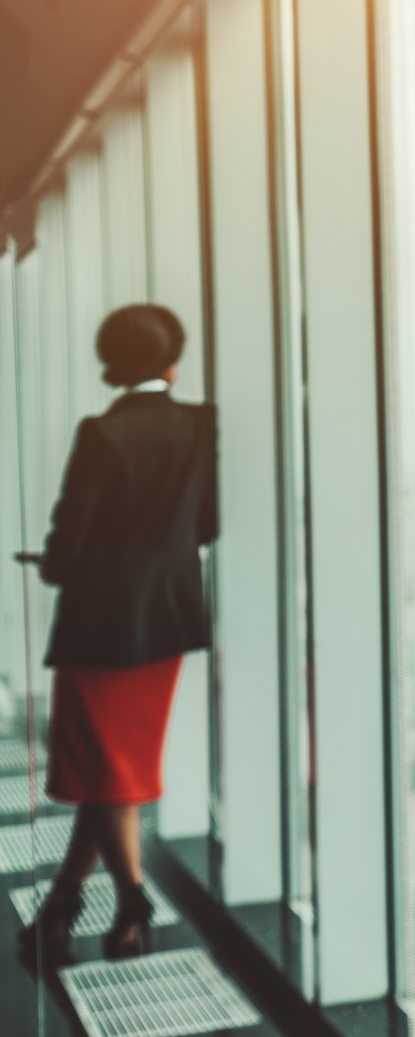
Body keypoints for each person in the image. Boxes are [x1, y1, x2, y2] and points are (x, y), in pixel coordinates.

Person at [15, 304, 216, 960]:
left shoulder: (101, 433)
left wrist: (53, 564)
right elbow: (205, 526)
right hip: (162, 620)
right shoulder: (199, 424)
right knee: (113, 772)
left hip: (100, 625)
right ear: (171, 360)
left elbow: (68, 543)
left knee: (105, 771)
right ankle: (74, 901)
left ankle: (127, 896)